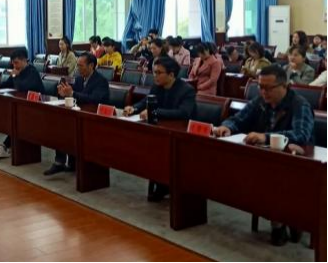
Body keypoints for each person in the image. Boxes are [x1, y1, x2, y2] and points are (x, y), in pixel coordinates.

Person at [214, 66, 314, 246]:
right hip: (266, 158)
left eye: (269, 88)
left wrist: (266, 137)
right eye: (260, 87)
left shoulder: (300, 104)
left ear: (285, 86)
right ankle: (285, 220)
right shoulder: (260, 101)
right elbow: (238, 119)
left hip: (297, 163)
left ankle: (283, 223)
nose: (263, 92)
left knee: (273, 178)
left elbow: (301, 135)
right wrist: (227, 126)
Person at [124, 57, 197, 202]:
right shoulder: (157, 86)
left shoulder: (186, 90)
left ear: (171, 74)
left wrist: (154, 112)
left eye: (159, 73)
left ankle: (166, 184)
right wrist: (134, 108)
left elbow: (183, 113)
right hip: (161, 130)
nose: (155, 76)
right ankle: (161, 182)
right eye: (154, 72)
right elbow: (146, 102)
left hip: (182, 134)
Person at [44, 53, 110, 176]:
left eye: (81, 66)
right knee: (60, 125)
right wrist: (64, 94)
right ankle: (61, 162)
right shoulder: (79, 78)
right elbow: (75, 95)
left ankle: (73, 164)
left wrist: (72, 93)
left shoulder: (101, 81)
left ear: (91, 66)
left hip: (96, 120)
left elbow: (94, 99)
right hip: (80, 115)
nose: (78, 68)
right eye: (77, 66)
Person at [0, 48, 44, 159]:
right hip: (20, 104)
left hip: (35, 108)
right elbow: (7, 83)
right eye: (13, 63)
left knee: (17, 119)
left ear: (24, 60)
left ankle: (6, 146)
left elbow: (22, 87)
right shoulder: (17, 71)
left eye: (16, 63)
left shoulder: (32, 72)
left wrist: (15, 76)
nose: (14, 66)